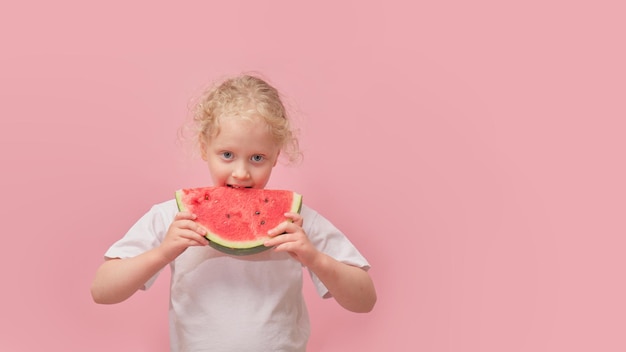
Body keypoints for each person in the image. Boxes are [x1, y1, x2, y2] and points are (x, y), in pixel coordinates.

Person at [91, 73, 376, 351]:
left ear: (276, 156)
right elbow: (102, 290)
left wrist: (315, 259)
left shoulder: (295, 224)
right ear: (204, 148)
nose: (241, 173)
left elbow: (365, 300)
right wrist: (163, 252)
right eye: (227, 155)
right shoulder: (172, 218)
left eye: (257, 158)